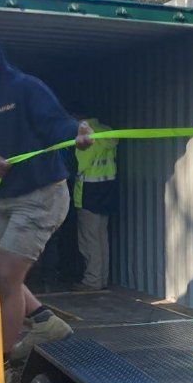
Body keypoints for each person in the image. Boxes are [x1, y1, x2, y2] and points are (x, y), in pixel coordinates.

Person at [0, 29, 92, 362]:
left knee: (5, 275)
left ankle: (0, 361)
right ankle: (43, 320)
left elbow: (58, 125)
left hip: (41, 196)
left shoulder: (25, 87)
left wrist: (78, 133)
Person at [70, 109, 118, 291]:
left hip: (88, 192)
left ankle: (92, 281)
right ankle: (101, 278)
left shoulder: (84, 134)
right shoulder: (107, 130)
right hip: (107, 189)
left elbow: (81, 164)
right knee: (101, 237)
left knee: (89, 239)